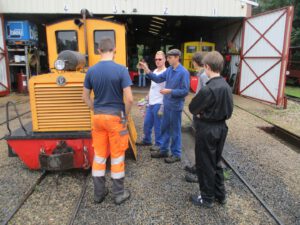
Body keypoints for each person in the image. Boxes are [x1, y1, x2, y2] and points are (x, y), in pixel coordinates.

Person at [82, 37, 133, 205]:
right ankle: (118, 194)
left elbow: (85, 97)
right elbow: (130, 99)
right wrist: (124, 117)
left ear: (99, 51)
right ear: (114, 50)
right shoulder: (121, 70)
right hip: (115, 118)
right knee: (117, 156)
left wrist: (94, 109)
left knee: (99, 155)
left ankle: (99, 194)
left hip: (97, 118)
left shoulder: (91, 71)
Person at [188, 51, 233, 208]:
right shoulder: (227, 87)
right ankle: (220, 195)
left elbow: (193, 107)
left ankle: (206, 198)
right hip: (221, 128)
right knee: (216, 162)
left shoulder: (208, 89)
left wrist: (202, 113)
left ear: (207, 67)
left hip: (207, 129)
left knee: (205, 163)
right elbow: (230, 110)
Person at [139, 49, 190, 163]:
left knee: (175, 130)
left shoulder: (183, 72)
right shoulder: (170, 70)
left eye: (170, 57)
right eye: (167, 57)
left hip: (176, 106)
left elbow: (185, 91)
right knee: (164, 128)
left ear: (177, 57)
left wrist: (170, 91)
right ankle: (164, 150)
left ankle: (176, 154)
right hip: (166, 104)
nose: (168, 59)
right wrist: (146, 69)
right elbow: (157, 79)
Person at [185, 51, 209, 183]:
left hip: (201, 114)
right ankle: (196, 167)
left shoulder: (204, 76)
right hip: (199, 112)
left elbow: (205, 96)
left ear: (195, 62)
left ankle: (200, 174)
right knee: (198, 142)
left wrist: (199, 111)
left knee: (201, 144)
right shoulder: (202, 74)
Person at [136, 51, 167, 150]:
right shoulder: (155, 71)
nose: (157, 61)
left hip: (160, 102)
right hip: (151, 102)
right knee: (147, 123)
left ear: (165, 60)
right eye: (156, 59)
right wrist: (147, 96)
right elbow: (153, 86)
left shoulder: (165, 72)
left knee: (158, 126)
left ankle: (159, 144)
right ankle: (147, 140)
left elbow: (157, 80)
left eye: (160, 59)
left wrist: (146, 68)